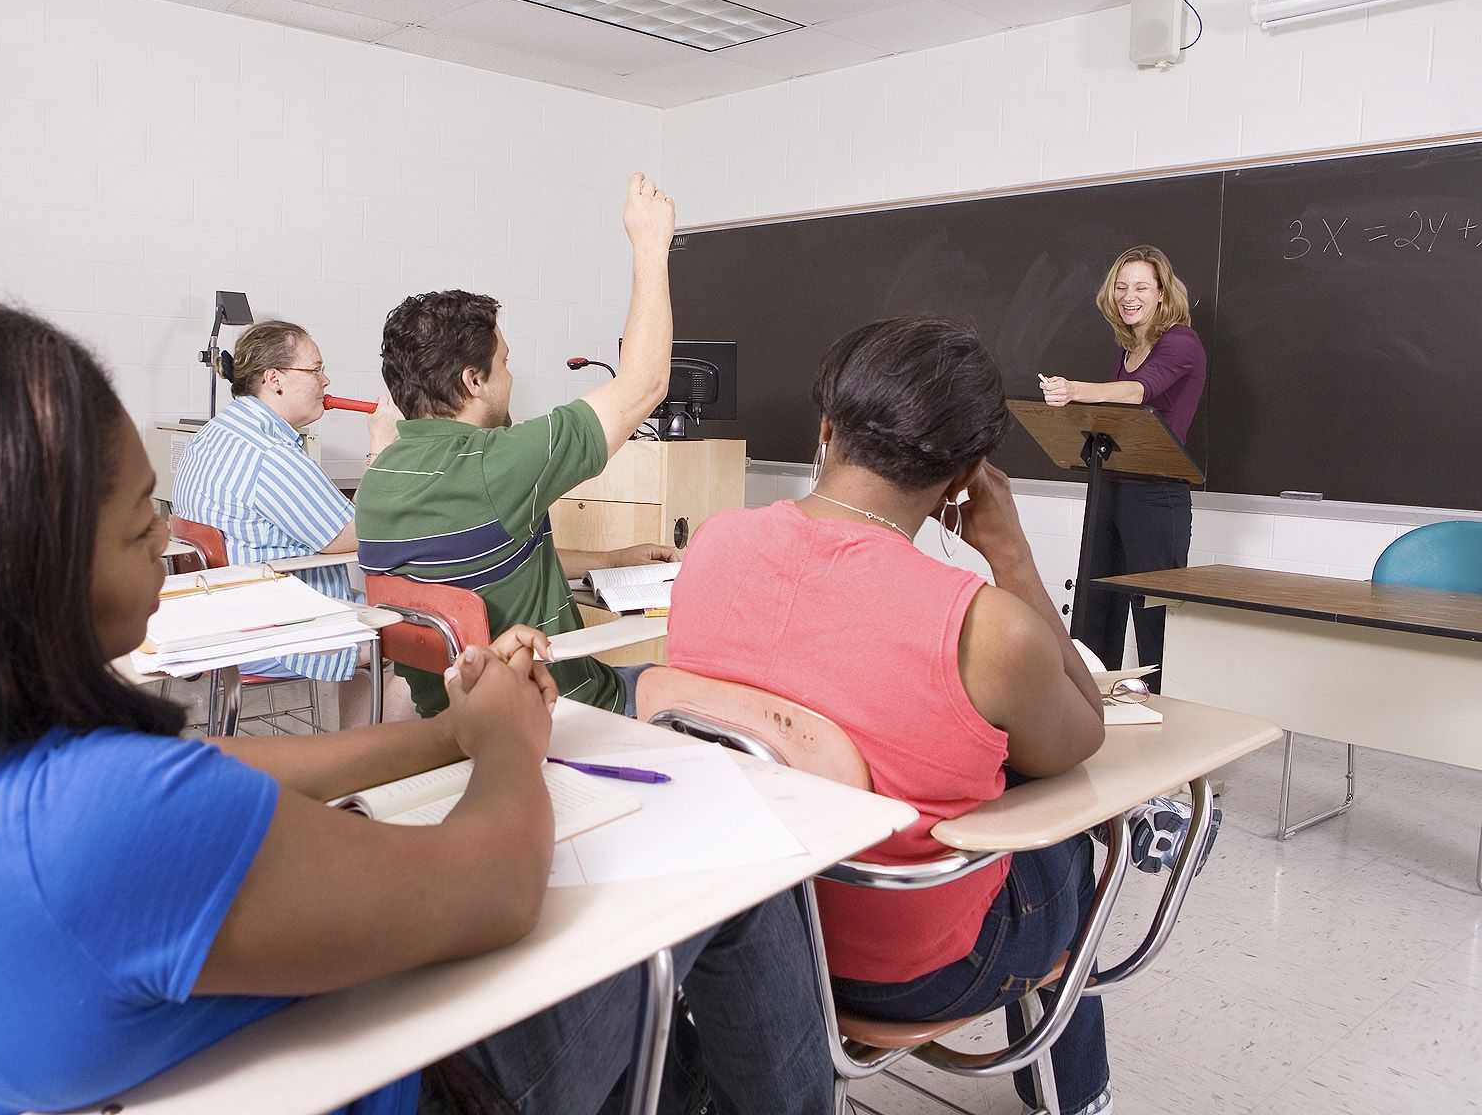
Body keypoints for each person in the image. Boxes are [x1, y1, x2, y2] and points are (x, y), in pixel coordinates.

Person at [0, 294, 832, 1115]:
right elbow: (490, 886)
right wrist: (503, 748)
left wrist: (443, 732)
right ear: (4, 581)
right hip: (418, 1081)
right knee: (741, 880)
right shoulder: (92, 823)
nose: (169, 547)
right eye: (141, 522)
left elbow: (211, 780)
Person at [667, 318, 1116, 1115]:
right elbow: (1083, 732)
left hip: (741, 933)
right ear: (965, 476)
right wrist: (1010, 554)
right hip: (907, 968)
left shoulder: (715, 541)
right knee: (1076, 838)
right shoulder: (985, 626)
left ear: (825, 428)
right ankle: (1080, 1095)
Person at [357, 172, 681, 718]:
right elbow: (644, 384)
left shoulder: (381, 478)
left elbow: (480, 564)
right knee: (689, 688)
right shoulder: (495, 464)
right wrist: (650, 245)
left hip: (454, 718)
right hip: (562, 710)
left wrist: (611, 560)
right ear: (473, 381)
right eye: (504, 363)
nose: (511, 378)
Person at [173, 318, 411, 724]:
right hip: (271, 629)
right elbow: (356, 532)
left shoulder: (214, 434)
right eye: (316, 370)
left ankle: (355, 745)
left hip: (219, 616)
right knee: (421, 636)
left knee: (374, 620)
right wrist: (381, 445)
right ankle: (370, 752)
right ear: (275, 380)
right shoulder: (268, 454)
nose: (326, 381)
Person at [1038, 245, 1206, 688]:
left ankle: (1166, 707)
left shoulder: (1181, 342)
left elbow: (1139, 392)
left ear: (1162, 292)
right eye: (1121, 286)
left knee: (1154, 616)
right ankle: (1092, 701)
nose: (1129, 296)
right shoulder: (1129, 345)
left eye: (1141, 287)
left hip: (1156, 494)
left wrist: (1074, 390)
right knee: (1096, 608)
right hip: (1110, 485)